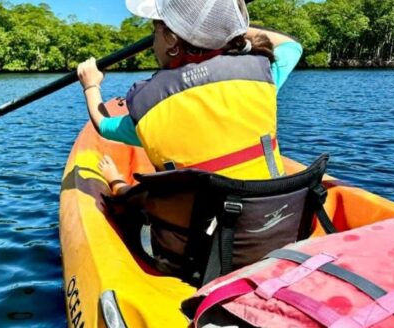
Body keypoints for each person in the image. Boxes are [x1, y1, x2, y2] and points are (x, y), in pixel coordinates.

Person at [78, 0, 304, 197]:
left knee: (133, 195)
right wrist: (225, 27)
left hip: (191, 242)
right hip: (272, 223)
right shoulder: (259, 75)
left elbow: (103, 124)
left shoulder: (150, 107)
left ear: (170, 41)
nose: (152, 42)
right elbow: (291, 46)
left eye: (154, 32)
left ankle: (118, 184)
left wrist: (91, 85)